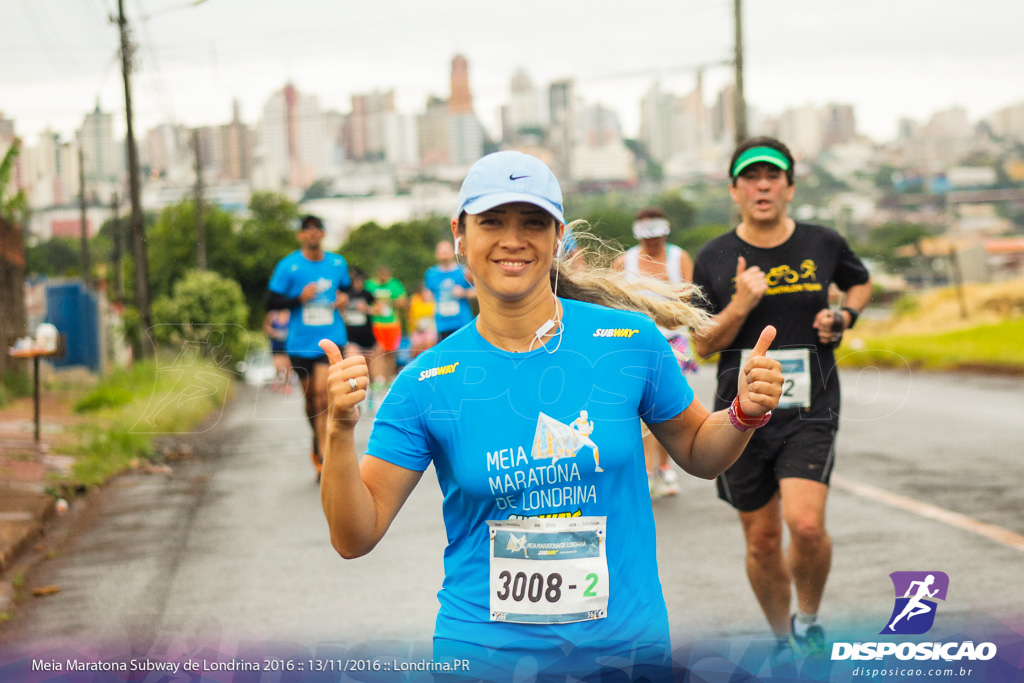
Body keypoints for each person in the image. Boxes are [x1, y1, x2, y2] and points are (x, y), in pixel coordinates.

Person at [318, 151, 785, 679]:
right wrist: (338, 432)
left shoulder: (627, 342)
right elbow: (354, 536)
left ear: (558, 235)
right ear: (460, 235)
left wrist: (743, 412)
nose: (513, 239)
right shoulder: (426, 383)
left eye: (533, 223)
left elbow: (700, 451)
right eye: (492, 221)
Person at [691, 137, 872, 661]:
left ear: (789, 187)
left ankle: (809, 622)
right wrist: (741, 303)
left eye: (773, 176)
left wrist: (843, 317)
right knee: (763, 540)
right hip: (740, 416)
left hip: (811, 407)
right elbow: (703, 344)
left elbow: (859, 285)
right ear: (735, 190)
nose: (762, 184)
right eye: (751, 177)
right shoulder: (715, 257)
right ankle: (780, 641)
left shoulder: (823, 242)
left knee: (807, 524)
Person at [613, 207, 697, 499]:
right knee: (640, 409)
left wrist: (661, 316)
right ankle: (649, 470)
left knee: (670, 408)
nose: (652, 243)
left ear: (666, 233)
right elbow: (613, 304)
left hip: (674, 343)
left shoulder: (679, 258)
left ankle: (663, 467)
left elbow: (688, 301)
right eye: (647, 237)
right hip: (635, 344)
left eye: (657, 237)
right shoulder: (625, 261)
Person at [266, 214, 350, 478]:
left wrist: (344, 300)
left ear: (323, 234)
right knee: (311, 401)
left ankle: (325, 457)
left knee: (323, 395)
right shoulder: (287, 266)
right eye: (307, 230)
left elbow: (348, 291)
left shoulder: (338, 263)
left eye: (317, 229)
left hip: (332, 339)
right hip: (300, 344)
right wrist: (297, 299)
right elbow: (270, 302)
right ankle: (318, 441)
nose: (312, 234)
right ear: (300, 235)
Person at [424, 240, 476, 342]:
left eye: (446, 252)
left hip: (462, 323)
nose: (444, 255)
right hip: (441, 325)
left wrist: (464, 293)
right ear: (436, 255)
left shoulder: (463, 271)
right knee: (446, 356)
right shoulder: (431, 274)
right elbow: (427, 294)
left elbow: (478, 292)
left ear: (453, 252)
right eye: (441, 252)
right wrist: (427, 297)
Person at [365, 263, 407, 389]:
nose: (383, 278)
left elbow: (403, 302)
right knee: (376, 352)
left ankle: (388, 380)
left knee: (390, 353)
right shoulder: (370, 285)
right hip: (376, 324)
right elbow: (363, 300)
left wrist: (390, 302)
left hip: (392, 324)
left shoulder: (395, 284)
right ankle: (377, 380)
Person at [342, 266, 376, 361]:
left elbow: (380, 310)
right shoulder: (346, 293)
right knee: (354, 360)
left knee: (368, 363)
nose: (358, 282)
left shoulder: (367, 294)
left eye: (360, 280)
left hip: (366, 333)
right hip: (350, 334)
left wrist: (367, 309)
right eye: (355, 280)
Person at [263, 309, 291, 394]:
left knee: (287, 366)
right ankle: (278, 380)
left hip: (287, 346)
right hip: (276, 346)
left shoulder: (290, 314)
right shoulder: (272, 314)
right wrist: (275, 333)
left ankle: (286, 384)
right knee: (278, 366)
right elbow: (266, 328)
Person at [407, 283, 438, 358]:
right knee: (416, 350)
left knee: (429, 346)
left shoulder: (433, 302)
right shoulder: (414, 300)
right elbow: (410, 315)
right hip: (417, 330)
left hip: (430, 329)